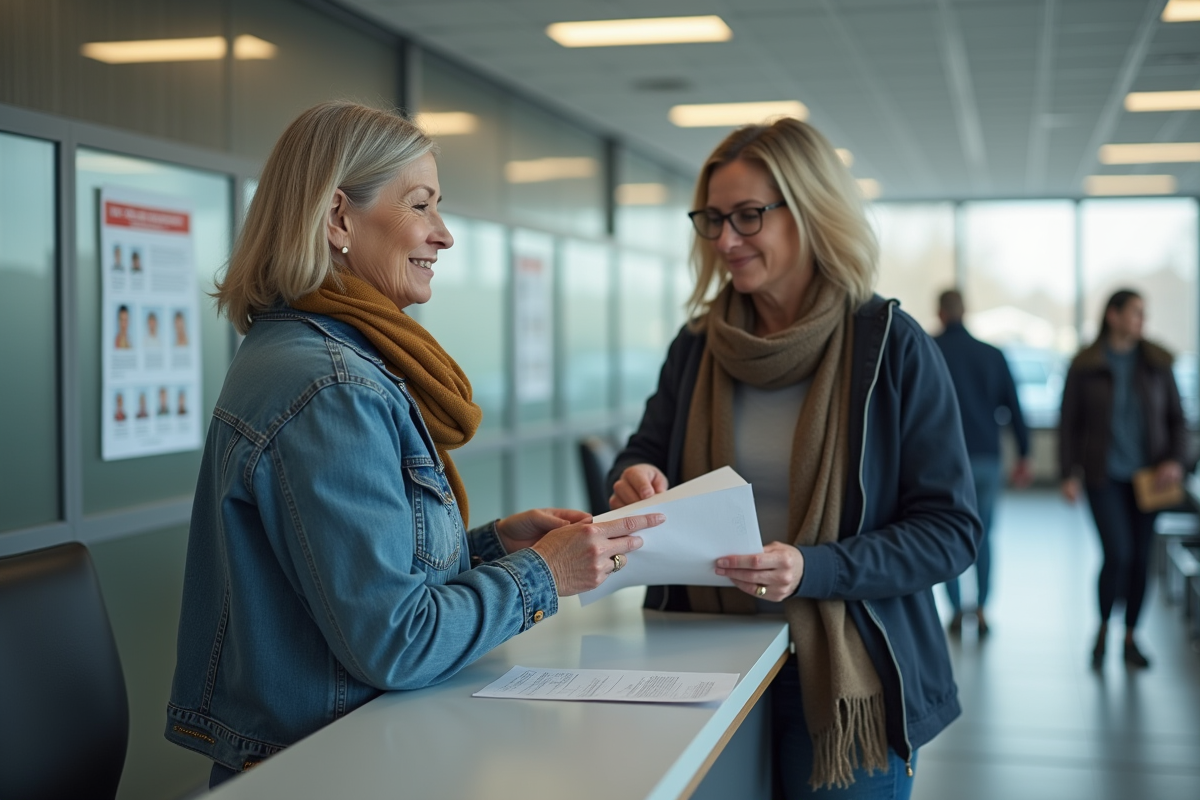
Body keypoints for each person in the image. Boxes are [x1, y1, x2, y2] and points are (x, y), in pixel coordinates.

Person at [165, 101, 663, 787]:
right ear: (338, 219)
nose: (445, 235)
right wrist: (545, 574)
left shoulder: (301, 354)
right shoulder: (333, 386)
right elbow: (398, 642)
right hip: (333, 769)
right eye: (421, 205)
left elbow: (345, 581)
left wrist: (492, 547)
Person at [607, 119, 979, 798]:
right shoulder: (698, 345)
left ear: (810, 210)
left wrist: (815, 569)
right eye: (713, 219)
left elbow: (950, 532)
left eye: (748, 215)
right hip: (705, 668)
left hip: (847, 677)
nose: (726, 240)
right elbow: (646, 451)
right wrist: (632, 476)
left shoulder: (891, 347)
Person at [1059, 289, 1188, 670]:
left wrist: (1175, 461)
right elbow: (1068, 423)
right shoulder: (1086, 364)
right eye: (1135, 312)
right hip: (1103, 476)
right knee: (1118, 554)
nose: (1142, 320)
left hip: (1150, 479)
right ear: (1112, 316)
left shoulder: (1157, 363)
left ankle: (1131, 637)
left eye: (1144, 313)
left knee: (1139, 559)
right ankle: (1102, 627)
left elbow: (1178, 420)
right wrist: (1068, 473)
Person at [933, 289, 1032, 637]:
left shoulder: (930, 350)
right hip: (987, 457)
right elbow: (1014, 407)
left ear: (940, 312)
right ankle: (983, 608)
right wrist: (1024, 454)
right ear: (965, 311)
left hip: (942, 460)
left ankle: (956, 609)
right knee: (984, 534)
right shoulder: (992, 354)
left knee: (946, 533)